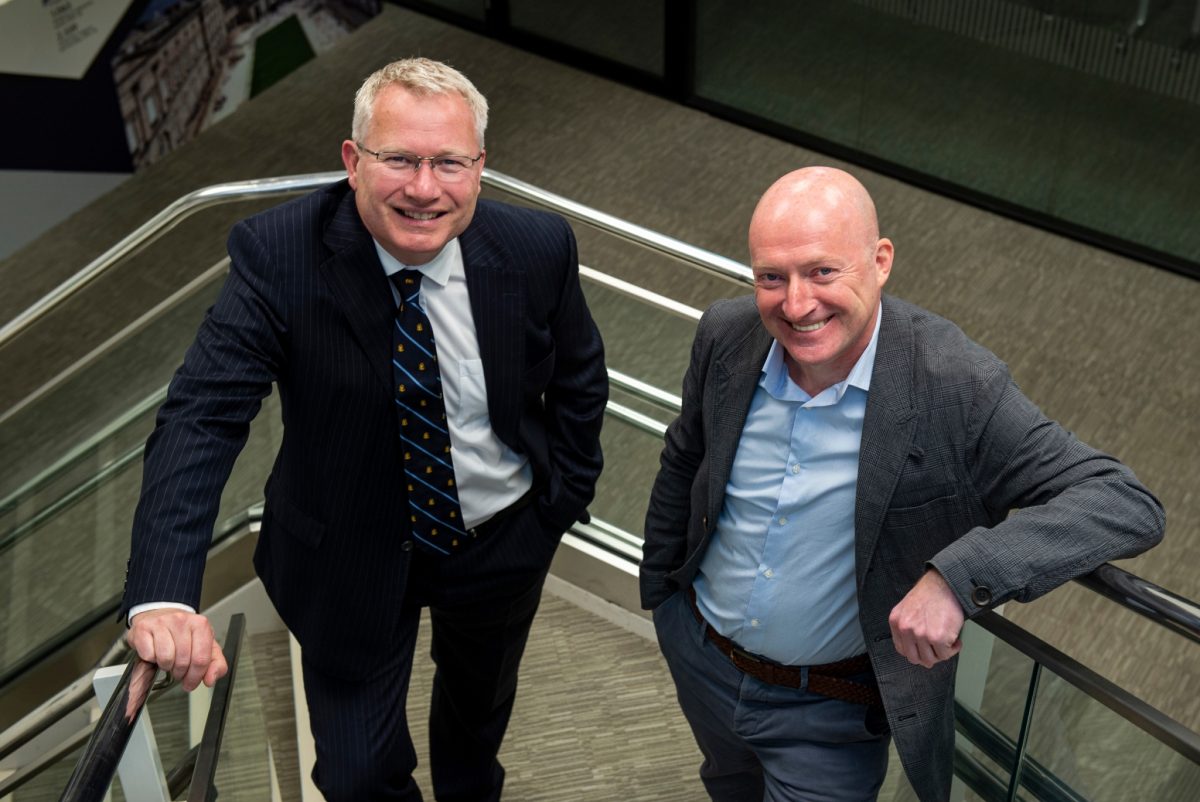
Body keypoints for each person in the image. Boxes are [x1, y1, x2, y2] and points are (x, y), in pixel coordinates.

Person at [122, 58, 607, 802]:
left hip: (502, 534)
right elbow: (203, 415)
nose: (424, 188)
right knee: (354, 778)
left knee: (478, 717)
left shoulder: (538, 246)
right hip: (348, 550)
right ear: (353, 161)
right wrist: (163, 594)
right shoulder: (280, 257)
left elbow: (580, 376)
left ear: (480, 166)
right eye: (399, 159)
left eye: (449, 162)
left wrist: (555, 507)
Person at [641, 166, 1164, 802]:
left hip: (828, 712)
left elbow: (1121, 500)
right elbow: (684, 458)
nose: (797, 303)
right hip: (703, 659)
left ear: (881, 260)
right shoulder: (726, 333)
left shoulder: (956, 383)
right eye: (771, 278)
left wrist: (954, 576)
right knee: (728, 786)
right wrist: (665, 601)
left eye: (823, 271)